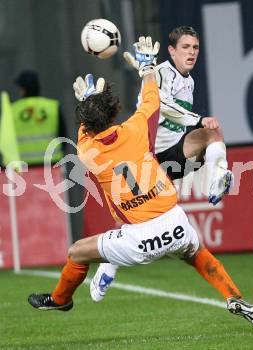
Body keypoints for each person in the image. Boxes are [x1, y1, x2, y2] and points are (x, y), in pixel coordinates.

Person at [28, 36, 253, 327]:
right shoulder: (136, 128)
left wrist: (87, 102)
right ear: (115, 111)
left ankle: (61, 300)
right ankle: (233, 296)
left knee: (77, 252)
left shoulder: (88, 150)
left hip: (137, 238)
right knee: (199, 255)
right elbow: (152, 99)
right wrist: (147, 68)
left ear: (87, 125)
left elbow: (86, 131)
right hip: (175, 221)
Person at [90, 26, 234, 302]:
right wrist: (196, 119)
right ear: (171, 50)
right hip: (142, 158)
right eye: (185, 47)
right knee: (135, 218)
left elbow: (178, 122)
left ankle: (218, 177)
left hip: (170, 152)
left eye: (195, 47)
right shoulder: (157, 73)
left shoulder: (188, 81)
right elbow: (162, 106)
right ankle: (108, 267)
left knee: (213, 135)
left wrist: (197, 133)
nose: (191, 52)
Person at [10, 70, 66, 164]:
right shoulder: (53, 106)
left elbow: (7, 141)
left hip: (23, 166)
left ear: (23, 90)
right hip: (52, 164)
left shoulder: (13, 110)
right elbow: (63, 137)